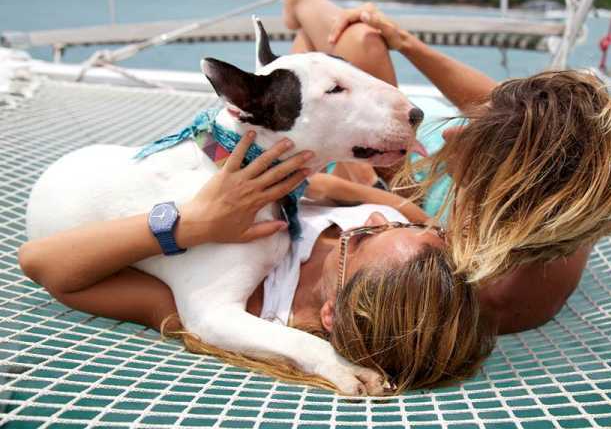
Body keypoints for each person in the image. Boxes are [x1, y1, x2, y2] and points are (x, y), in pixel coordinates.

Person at [268, 0, 611, 332]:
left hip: (406, 178)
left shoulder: (480, 290)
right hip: (432, 165)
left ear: (504, 194)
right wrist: (405, 42)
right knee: (364, 37)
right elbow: (519, 112)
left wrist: (361, 186)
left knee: (351, 44)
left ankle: (297, 2)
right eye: (477, 123)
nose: (455, 130)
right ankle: (297, 5)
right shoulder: (566, 183)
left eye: (477, 139)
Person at [18, 133, 493, 394]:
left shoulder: (243, 306)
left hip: (86, 184)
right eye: (399, 227)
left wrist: (192, 225)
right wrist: (392, 209)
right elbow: (343, 196)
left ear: (331, 313)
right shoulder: (393, 235)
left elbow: (41, 262)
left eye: (364, 235)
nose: (375, 218)